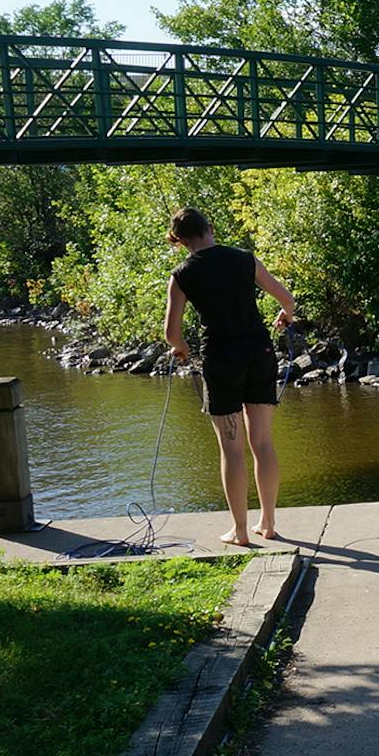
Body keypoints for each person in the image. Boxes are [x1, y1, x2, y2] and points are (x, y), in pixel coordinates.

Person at [162, 207, 297, 547]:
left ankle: (239, 530)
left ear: (179, 242)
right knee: (263, 443)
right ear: (210, 227)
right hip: (259, 353)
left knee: (232, 450)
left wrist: (181, 350)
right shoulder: (243, 258)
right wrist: (285, 315)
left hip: (221, 360)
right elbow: (286, 298)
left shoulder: (181, 275)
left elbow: (171, 333)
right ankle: (267, 523)